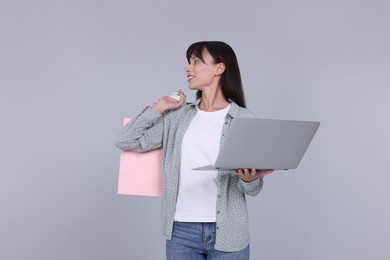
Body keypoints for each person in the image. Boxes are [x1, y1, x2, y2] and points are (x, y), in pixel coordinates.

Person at [115, 41, 273, 260]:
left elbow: (253, 189)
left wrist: (249, 180)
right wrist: (159, 106)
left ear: (220, 68)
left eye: (196, 62)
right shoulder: (177, 117)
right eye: (189, 62)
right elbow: (125, 140)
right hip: (181, 230)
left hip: (229, 231)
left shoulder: (244, 119)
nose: (188, 68)